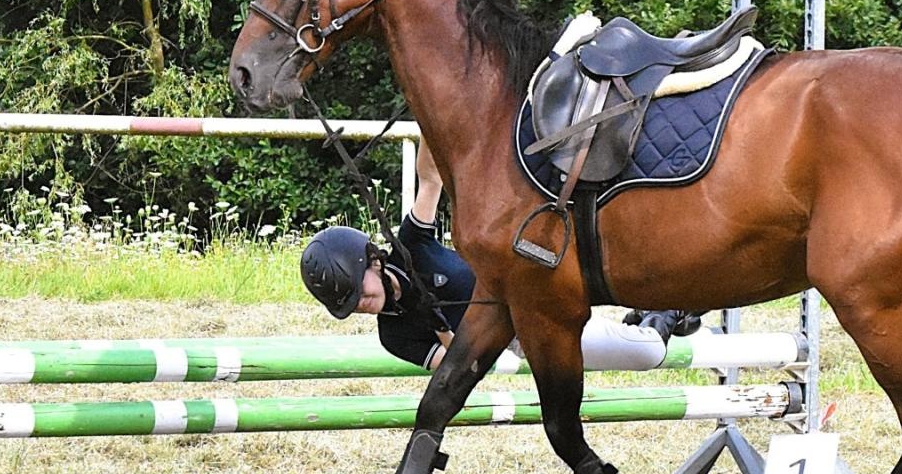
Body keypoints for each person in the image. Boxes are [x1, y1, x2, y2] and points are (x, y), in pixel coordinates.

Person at [299, 140, 700, 371]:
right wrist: (437, 323)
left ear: (373, 261)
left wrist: (426, 113)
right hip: (517, 338)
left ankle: (658, 306)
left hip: (532, 293)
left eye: (359, 291)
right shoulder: (394, 336)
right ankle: (666, 315)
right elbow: (462, 370)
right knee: (646, 352)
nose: (362, 304)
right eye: (351, 305)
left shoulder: (410, 247)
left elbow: (430, 178)